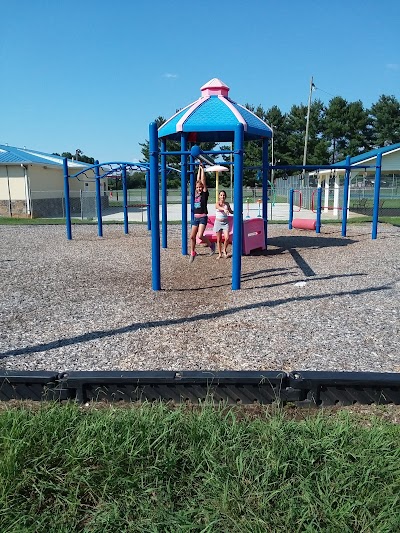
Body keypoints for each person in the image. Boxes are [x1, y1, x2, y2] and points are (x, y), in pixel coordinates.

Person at [189, 163, 215, 263]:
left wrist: (203, 169)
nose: (199, 188)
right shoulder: (196, 194)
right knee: (192, 236)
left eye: (200, 187)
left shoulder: (204, 194)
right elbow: (198, 179)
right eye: (197, 187)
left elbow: (202, 180)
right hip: (196, 217)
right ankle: (193, 252)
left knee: (199, 236)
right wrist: (199, 168)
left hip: (203, 217)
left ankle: (211, 245)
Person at [214, 190, 233, 258]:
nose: (222, 196)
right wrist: (224, 209)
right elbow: (218, 207)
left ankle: (224, 250)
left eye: (224, 195)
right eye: (221, 195)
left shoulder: (227, 204)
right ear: (219, 196)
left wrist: (237, 211)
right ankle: (219, 253)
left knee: (227, 238)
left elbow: (231, 211)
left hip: (225, 223)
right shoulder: (217, 203)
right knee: (219, 240)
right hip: (218, 222)